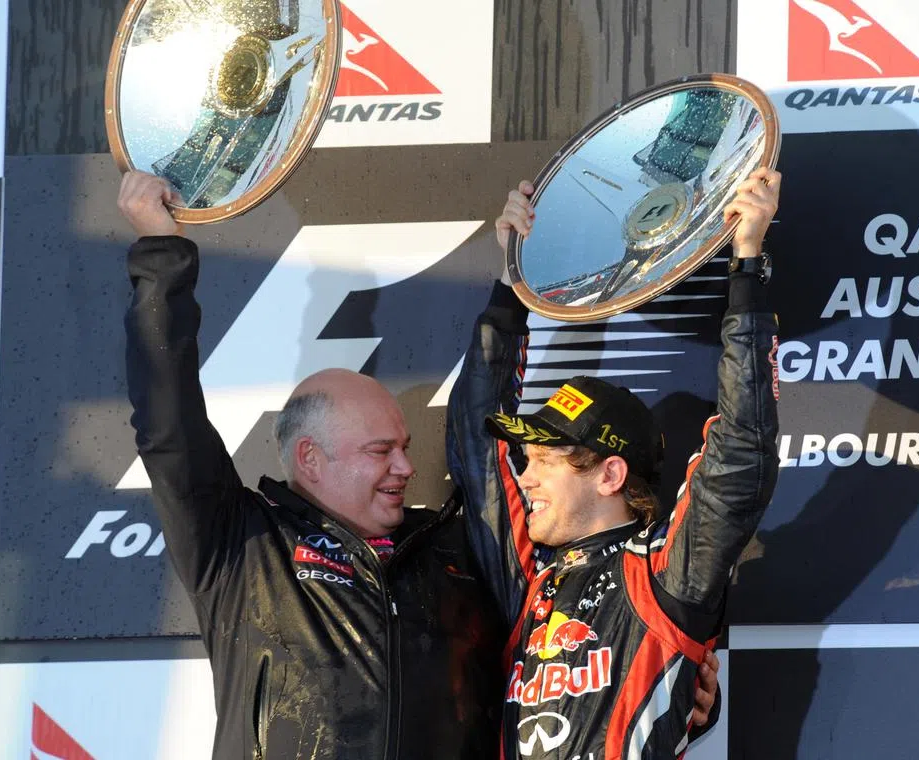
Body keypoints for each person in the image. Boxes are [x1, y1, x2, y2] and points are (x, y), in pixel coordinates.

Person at [116, 169, 720, 759]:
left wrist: (680, 686)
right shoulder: (242, 544)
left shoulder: (457, 549)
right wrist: (161, 252)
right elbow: (168, 424)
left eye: (404, 446)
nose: (406, 467)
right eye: (381, 452)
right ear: (311, 458)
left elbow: (591, 643)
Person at [447, 168, 781, 759]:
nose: (524, 479)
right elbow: (476, 445)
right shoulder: (530, 579)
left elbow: (741, 450)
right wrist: (510, 278)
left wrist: (747, 262)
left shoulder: (662, 573)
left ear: (610, 474)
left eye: (546, 460)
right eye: (528, 460)